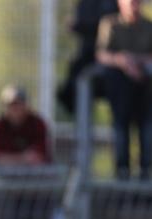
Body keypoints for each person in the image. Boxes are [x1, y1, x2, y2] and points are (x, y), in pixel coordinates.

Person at [96, 0, 152, 178]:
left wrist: (138, 63)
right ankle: (122, 175)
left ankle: (146, 174)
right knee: (121, 129)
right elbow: (102, 54)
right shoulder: (110, 24)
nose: (133, 6)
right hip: (120, 89)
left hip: (145, 90)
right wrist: (121, 61)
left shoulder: (148, 26)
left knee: (147, 129)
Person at [57, 0, 119, 114]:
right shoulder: (84, 4)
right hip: (87, 56)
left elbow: (107, 26)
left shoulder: (112, 4)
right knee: (73, 85)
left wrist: (78, 27)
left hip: (110, 58)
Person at [0, 85, 51, 166]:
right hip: (7, 174)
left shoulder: (37, 123)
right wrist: (23, 158)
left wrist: (11, 159)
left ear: (25, 105)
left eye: (18, 104)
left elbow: (39, 157)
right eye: (11, 105)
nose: (14, 109)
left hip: (36, 175)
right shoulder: (0, 124)